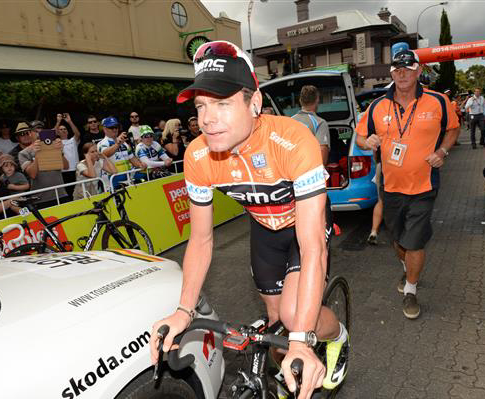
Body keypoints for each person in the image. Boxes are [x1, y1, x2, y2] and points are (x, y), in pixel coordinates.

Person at [149, 40, 349, 399]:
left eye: (222, 103)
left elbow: (313, 246)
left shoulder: (291, 140)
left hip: (303, 229)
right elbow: (201, 240)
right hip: (264, 231)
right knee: (274, 324)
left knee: (293, 317)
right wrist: (183, 310)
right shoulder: (198, 155)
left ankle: (337, 336)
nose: (207, 118)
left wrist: (303, 339)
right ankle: (289, 365)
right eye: (201, 105)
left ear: (253, 103)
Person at [355, 49, 460, 319]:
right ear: (391, 73)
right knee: (399, 240)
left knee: (414, 242)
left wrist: (442, 152)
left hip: (424, 186)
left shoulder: (438, 101)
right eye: (397, 69)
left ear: (418, 72)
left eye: (408, 68)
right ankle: (407, 268)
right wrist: (367, 142)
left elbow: (453, 129)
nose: (402, 73)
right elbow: (360, 137)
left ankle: (411, 290)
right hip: (390, 188)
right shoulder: (378, 106)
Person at [18, 127, 69, 208]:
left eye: (41, 130)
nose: (39, 133)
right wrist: (38, 154)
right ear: (31, 133)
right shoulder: (23, 153)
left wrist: (59, 151)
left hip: (61, 194)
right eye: (36, 131)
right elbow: (32, 174)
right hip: (41, 199)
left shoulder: (53, 146)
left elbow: (66, 167)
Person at [96, 116, 144, 187]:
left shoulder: (123, 143)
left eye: (116, 127)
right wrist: (118, 144)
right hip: (112, 180)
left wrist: (141, 165)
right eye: (111, 127)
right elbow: (105, 154)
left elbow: (132, 158)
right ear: (105, 129)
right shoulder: (102, 143)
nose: (114, 129)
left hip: (128, 179)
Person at [292, 85, 331, 165]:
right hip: (310, 170)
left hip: (292, 170)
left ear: (300, 101)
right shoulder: (320, 122)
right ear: (317, 100)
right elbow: (322, 149)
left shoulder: (289, 121)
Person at [54, 113, 81, 198]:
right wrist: (58, 121)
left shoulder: (73, 140)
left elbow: (77, 134)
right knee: (68, 194)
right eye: (61, 129)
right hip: (63, 172)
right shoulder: (56, 143)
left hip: (76, 171)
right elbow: (51, 135)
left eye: (65, 129)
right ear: (58, 132)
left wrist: (69, 121)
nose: (63, 130)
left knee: (78, 193)